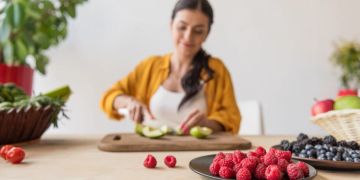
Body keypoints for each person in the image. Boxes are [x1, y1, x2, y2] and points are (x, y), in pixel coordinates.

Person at [100, 0, 241, 134]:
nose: (188, 37)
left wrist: (207, 124)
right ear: (171, 25)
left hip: (199, 153)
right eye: (182, 27)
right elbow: (108, 97)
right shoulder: (150, 66)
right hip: (150, 153)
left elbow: (232, 117)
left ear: (206, 34)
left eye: (198, 31)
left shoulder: (217, 70)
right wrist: (129, 102)